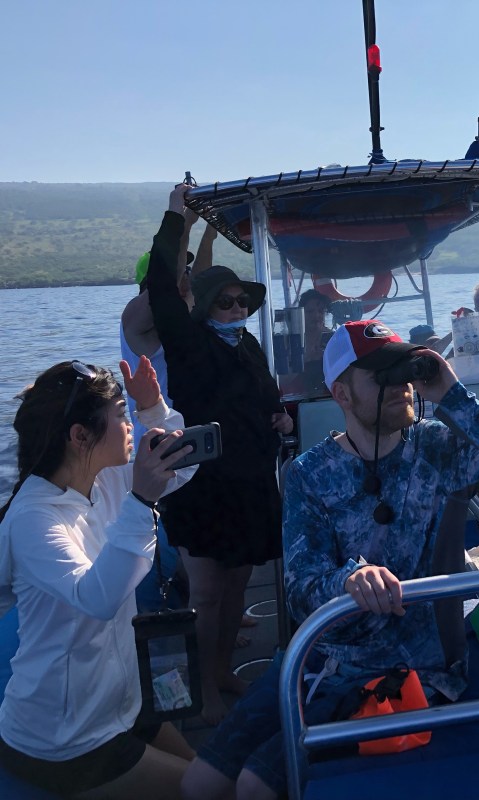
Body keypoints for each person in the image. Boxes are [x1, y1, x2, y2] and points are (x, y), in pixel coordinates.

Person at [180, 319, 479, 800]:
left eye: (403, 370)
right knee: (199, 785)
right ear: (341, 394)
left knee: (255, 787)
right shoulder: (309, 473)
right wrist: (351, 580)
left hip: (402, 671)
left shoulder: (438, 449)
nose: (400, 384)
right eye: (380, 374)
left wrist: (452, 394)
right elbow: (301, 587)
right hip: (320, 658)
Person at [0, 355, 196, 798]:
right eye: (123, 415)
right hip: (64, 739)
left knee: (210, 774)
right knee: (215, 789)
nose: (131, 427)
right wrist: (142, 500)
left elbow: (180, 469)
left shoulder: (102, 479)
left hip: (117, 706)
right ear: (79, 436)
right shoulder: (35, 518)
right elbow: (99, 597)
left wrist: (154, 409)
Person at [148, 184, 293, 725]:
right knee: (206, 592)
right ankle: (204, 689)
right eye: (224, 301)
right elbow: (162, 286)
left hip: (252, 482)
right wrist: (175, 219)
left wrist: (280, 417)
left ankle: (225, 668)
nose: (236, 309)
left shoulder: (248, 345)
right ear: (204, 307)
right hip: (205, 487)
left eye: (242, 302)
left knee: (235, 585)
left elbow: (268, 401)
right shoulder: (189, 346)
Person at [121, 207, 217, 446]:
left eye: (186, 271)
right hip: (159, 439)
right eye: (182, 270)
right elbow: (165, 284)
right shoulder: (133, 317)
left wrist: (210, 232)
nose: (187, 277)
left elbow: (200, 279)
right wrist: (184, 224)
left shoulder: (179, 314)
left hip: (189, 430)